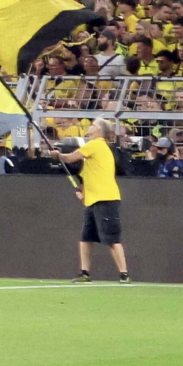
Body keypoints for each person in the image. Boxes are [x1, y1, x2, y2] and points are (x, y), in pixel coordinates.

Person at [70, 120, 130, 283]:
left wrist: (58, 155)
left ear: (99, 131)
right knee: (86, 238)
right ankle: (84, 272)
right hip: (92, 200)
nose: (90, 126)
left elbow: (69, 158)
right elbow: (89, 174)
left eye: (94, 125)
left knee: (112, 238)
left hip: (105, 198)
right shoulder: (96, 149)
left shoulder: (96, 144)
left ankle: (124, 273)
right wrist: (82, 188)